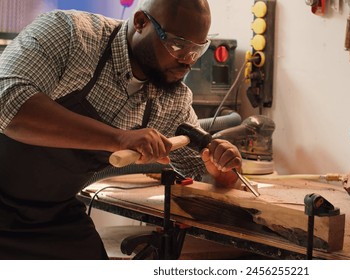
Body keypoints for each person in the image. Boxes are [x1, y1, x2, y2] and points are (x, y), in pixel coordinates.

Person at [0, 0, 243, 259]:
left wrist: (222, 171)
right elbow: (8, 102)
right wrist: (118, 138)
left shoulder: (172, 99)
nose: (187, 62)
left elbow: (197, 169)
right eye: (178, 45)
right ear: (140, 22)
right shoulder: (70, 33)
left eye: (197, 50)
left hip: (50, 215)